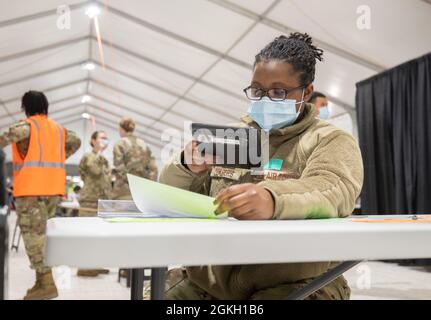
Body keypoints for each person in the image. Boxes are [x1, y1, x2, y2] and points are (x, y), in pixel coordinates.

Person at [160, 33, 364, 300]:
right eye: (257, 90)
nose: (265, 99)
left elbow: (330, 189)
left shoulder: (329, 140)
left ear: (307, 92)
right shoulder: (231, 137)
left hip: (295, 282)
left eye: (278, 92)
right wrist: (186, 167)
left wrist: (272, 198)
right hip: (210, 281)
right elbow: (169, 198)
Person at [0, 91, 81, 299]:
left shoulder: (25, 127)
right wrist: (62, 156)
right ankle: (40, 281)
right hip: (52, 190)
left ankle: (46, 283)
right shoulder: (59, 130)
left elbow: (3, 140)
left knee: (33, 238)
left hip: (31, 191)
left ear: (25, 107)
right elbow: (76, 141)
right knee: (43, 237)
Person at [77, 130, 112, 277]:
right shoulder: (89, 156)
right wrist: (98, 152)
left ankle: (95, 264)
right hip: (89, 200)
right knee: (87, 234)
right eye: (101, 138)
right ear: (93, 141)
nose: (105, 140)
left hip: (101, 201)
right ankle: (84, 267)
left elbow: (107, 178)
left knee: (98, 234)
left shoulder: (103, 159)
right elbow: (95, 172)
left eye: (106, 138)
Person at [112, 117, 158, 200]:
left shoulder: (120, 144)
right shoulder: (144, 144)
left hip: (124, 192)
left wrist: (133, 182)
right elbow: (153, 168)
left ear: (122, 129)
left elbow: (119, 168)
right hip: (142, 193)